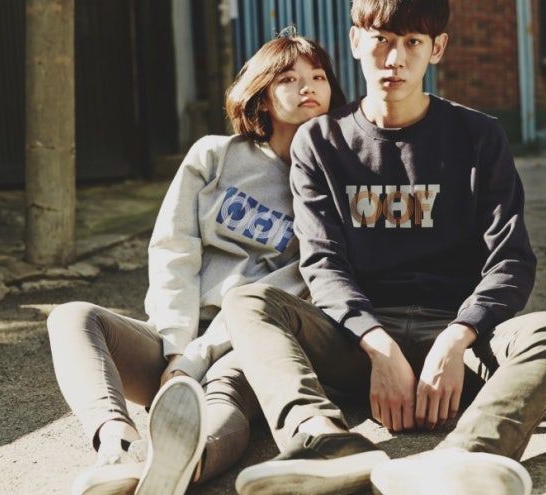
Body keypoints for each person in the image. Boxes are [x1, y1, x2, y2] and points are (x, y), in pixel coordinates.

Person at [223, 1, 546, 494]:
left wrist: (457, 339)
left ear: (437, 48)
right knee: (248, 301)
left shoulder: (479, 136)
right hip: (356, 345)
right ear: (356, 42)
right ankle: (323, 441)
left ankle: (465, 458)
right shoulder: (320, 141)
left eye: (413, 42)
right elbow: (323, 262)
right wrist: (378, 345)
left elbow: (511, 260)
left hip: (458, 342)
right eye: (382, 40)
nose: (395, 59)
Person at [47, 28, 346, 495]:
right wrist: (175, 349)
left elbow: (300, 281)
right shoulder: (215, 156)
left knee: (223, 396)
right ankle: (116, 445)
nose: (307, 86)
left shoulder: (332, 181)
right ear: (262, 96)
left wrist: (199, 357)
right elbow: (174, 250)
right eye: (288, 78)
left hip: (252, 340)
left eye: (318, 76)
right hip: (179, 335)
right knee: (72, 317)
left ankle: (171, 471)